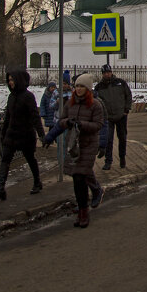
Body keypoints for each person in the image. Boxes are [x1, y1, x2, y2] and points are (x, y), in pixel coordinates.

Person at [46, 73, 103, 228]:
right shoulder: (70, 104)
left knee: (79, 177)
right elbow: (61, 121)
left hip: (88, 144)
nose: (78, 89)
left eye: (82, 86)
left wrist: (82, 124)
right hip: (74, 145)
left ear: (88, 88)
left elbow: (98, 125)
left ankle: (83, 213)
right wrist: (49, 137)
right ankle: (93, 194)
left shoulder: (95, 105)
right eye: (77, 86)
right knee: (79, 177)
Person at [0, 70, 45, 202]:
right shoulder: (11, 97)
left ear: (18, 80)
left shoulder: (28, 96)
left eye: (12, 80)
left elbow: (35, 117)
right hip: (11, 134)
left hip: (25, 134)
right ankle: (0, 190)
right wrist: (3, 134)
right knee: (5, 161)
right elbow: (8, 118)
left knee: (30, 159)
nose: (10, 82)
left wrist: (41, 135)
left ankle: (37, 182)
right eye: (9, 80)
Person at [94, 64, 132, 170]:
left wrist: (126, 110)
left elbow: (128, 95)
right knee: (108, 139)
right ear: (102, 74)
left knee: (122, 138)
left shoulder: (120, 83)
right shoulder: (99, 87)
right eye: (105, 73)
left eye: (108, 72)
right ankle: (108, 161)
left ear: (111, 72)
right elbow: (97, 102)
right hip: (108, 118)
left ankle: (122, 158)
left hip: (121, 115)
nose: (107, 74)